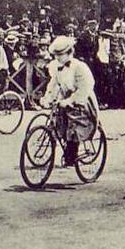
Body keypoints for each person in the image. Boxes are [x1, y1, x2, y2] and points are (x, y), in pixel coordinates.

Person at [41, 36, 100, 167]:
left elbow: (85, 88)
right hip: (65, 97)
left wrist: (70, 100)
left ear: (69, 53)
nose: (58, 58)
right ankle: (63, 144)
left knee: (75, 124)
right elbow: (54, 84)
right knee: (58, 121)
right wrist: (48, 97)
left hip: (83, 101)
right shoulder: (57, 67)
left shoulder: (80, 67)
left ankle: (72, 154)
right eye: (56, 55)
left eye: (61, 55)